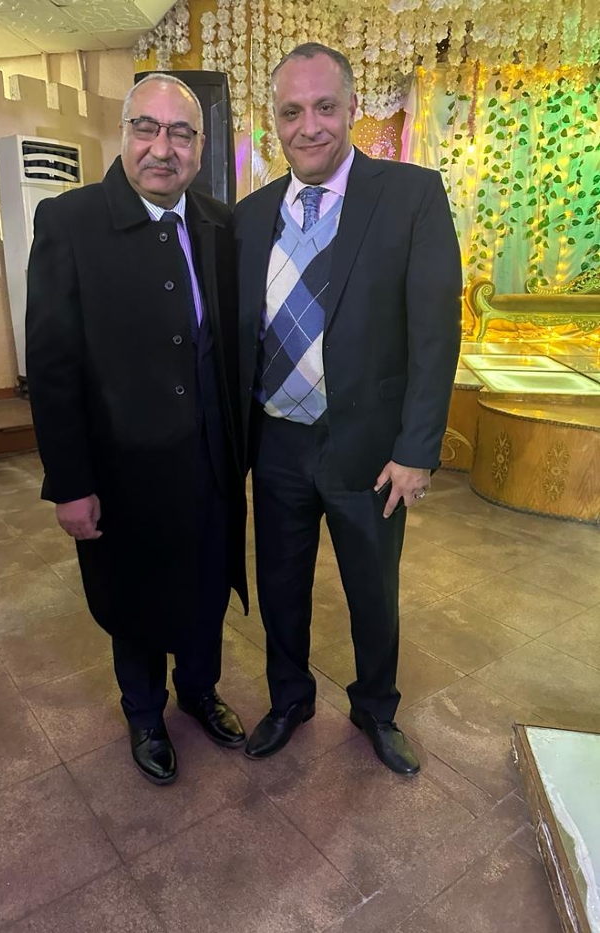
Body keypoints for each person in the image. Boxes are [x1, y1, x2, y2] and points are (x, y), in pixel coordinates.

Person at [234, 44, 462, 775]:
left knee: (372, 589)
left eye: (325, 107)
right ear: (274, 121)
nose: (309, 126)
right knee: (281, 585)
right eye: (291, 112)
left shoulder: (411, 195)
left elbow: (435, 334)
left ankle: (375, 708)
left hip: (370, 447)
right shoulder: (249, 217)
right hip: (276, 442)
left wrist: (418, 450)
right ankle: (289, 699)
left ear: (353, 108)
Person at [26, 73, 248, 786]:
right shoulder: (70, 222)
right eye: (146, 128)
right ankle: (145, 713)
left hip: (209, 459)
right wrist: (70, 483)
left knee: (206, 582)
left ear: (200, 146)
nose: (162, 147)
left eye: (180, 133)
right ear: (123, 134)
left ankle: (200, 690)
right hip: (123, 469)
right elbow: (52, 367)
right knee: (136, 592)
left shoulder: (219, 223)